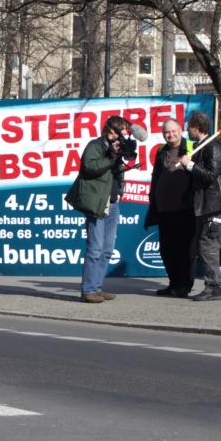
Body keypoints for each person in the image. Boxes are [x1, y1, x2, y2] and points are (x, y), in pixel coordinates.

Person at [65, 115, 131, 304]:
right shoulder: (95, 145)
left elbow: (120, 173)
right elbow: (89, 167)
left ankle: (96, 287)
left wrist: (121, 191)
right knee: (95, 248)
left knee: (108, 249)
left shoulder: (117, 149)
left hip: (113, 202)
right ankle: (88, 290)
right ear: (112, 130)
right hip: (97, 202)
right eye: (122, 130)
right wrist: (112, 158)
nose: (125, 134)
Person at [179, 111, 221, 301]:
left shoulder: (212, 147)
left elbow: (211, 174)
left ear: (197, 128)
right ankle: (215, 284)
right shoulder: (202, 146)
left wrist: (189, 165)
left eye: (189, 127)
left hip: (215, 205)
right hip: (206, 205)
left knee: (208, 245)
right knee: (203, 245)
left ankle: (214, 286)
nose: (187, 130)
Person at [144, 118, 196, 298]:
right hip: (163, 209)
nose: (170, 134)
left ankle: (184, 285)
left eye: (173, 131)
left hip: (183, 208)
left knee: (184, 250)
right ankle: (173, 283)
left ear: (180, 130)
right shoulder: (161, 151)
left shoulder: (192, 148)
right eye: (167, 132)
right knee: (167, 250)